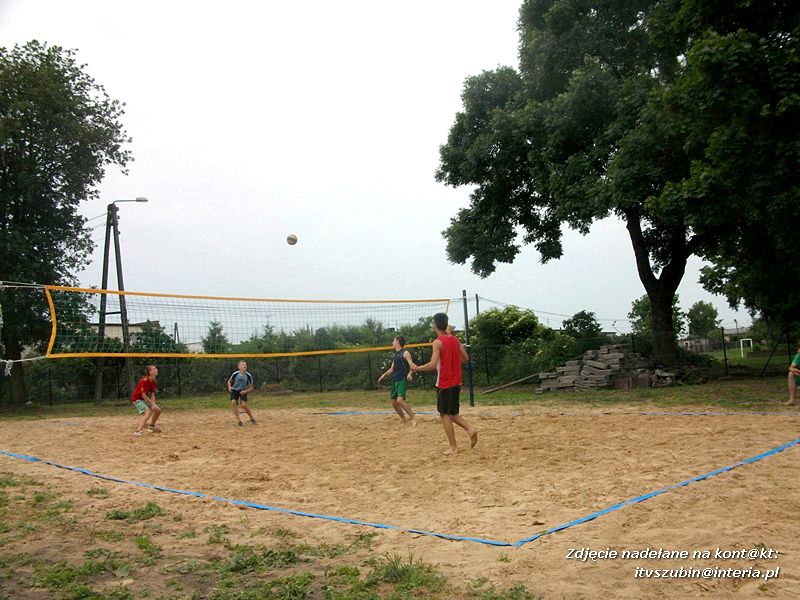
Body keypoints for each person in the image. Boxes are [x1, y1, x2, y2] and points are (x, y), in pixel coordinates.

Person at [412, 313, 478, 454]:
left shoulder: (438, 342)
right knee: (452, 413)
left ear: (435, 325)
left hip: (444, 383)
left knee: (444, 415)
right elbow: (466, 358)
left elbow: (432, 364)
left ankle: (453, 447)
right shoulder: (455, 340)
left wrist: (417, 368)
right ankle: (470, 430)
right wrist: (452, 363)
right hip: (456, 381)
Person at [377, 336, 417, 425]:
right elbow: (392, 369)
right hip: (395, 380)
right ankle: (403, 419)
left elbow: (412, 365)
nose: (392, 342)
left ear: (397, 342)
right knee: (394, 403)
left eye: (393, 340)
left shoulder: (405, 353)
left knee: (400, 400)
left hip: (402, 379)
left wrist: (410, 374)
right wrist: (384, 375)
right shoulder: (396, 354)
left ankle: (413, 418)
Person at [131, 365, 161, 436]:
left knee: (158, 410)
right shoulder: (144, 381)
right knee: (148, 412)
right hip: (136, 399)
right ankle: (138, 431)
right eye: (154, 369)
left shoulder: (154, 382)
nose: (156, 369)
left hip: (143, 398)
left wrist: (153, 404)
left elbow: (153, 395)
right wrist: (151, 404)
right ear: (150, 372)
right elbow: (143, 395)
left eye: (155, 368)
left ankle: (151, 425)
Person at [228, 360, 256, 426]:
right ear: (239, 367)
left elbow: (251, 388)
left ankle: (252, 418)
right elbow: (229, 381)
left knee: (244, 405)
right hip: (234, 390)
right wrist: (229, 387)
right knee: (233, 402)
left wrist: (245, 391)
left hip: (243, 390)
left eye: (245, 364)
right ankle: (239, 421)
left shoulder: (248, 375)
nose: (244, 366)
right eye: (242, 364)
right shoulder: (235, 374)